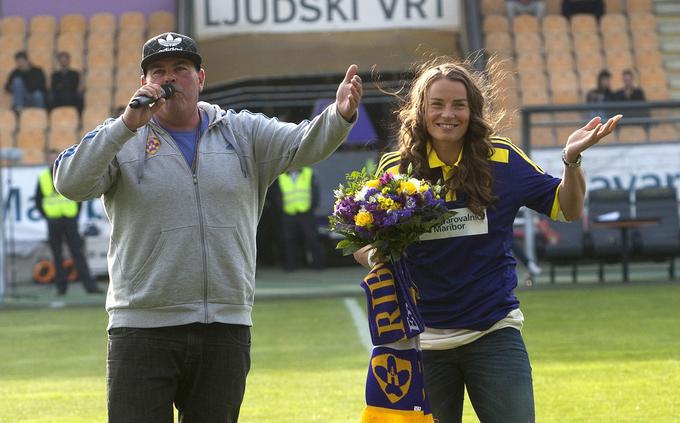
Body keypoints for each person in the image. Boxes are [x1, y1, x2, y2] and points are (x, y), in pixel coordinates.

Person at [53, 31, 361, 422]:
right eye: (158, 70)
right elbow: (70, 183)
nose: (169, 79)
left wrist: (340, 116)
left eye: (180, 69)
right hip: (142, 328)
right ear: (143, 82)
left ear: (200, 78)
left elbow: (305, 142)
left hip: (225, 326)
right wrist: (125, 125)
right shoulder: (122, 138)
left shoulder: (242, 131)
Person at [353, 58, 621, 423]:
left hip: (493, 332)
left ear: (472, 110)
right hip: (422, 343)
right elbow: (361, 240)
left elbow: (567, 208)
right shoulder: (396, 169)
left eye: (458, 105)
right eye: (438, 104)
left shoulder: (503, 158)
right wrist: (376, 258)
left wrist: (571, 161)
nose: (448, 114)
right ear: (421, 110)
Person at [34, 149, 102, 296]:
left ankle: (90, 287)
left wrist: (75, 215)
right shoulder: (43, 177)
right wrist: (47, 216)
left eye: (55, 158)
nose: (53, 162)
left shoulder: (68, 174)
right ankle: (61, 288)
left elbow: (78, 195)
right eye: (51, 159)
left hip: (70, 220)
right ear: (47, 161)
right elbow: (38, 200)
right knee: (57, 255)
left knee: (77, 252)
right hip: (53, 221)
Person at [276, 166, 325, 271]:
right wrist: (281, 209)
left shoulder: (308, 172)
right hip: (288, 212)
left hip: (306, 212)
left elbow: (315, 191)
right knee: (289, 240)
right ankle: (291, 266)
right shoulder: (281, 176)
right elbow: (277, 195)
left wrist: (312, 207)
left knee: (312, 238)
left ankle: (318, 265)